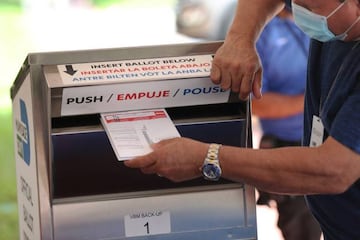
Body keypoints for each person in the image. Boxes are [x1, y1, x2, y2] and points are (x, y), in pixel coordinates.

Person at [124, 0, 360, 239]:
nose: (298, 11)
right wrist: (240, 39)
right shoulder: (335, 12)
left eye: (310, 7)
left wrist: (206, 158)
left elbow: (333, 170)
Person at [252, 6, 321, 240]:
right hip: (289, 148)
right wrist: (312, 100)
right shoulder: (260, 34)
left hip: (337, 143)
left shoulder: (327, 22)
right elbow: (254, 103)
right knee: (303, 231)